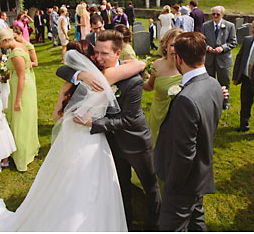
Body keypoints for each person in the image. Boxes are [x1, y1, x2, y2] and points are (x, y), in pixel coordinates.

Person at [0, 41, 144, 231]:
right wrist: (140, 62)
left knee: (64, 178)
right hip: (91, 139)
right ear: (90, 57)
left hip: (72, 137)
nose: (100, 57)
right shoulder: (106, 77)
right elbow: (138, 65)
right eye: (97, 54)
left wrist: (77, 82)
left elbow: (57, 116)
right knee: (92, 182)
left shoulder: (68, 86)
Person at [65, 32, 160, 230]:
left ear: (118, 53)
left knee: (149, 186)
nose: (98, 58)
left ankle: (156, 224)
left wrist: (93, 123)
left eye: (104, 54)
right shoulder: (94, 71)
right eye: (96, 52)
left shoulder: (133, 80)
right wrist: (79, 74)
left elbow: (128, 119)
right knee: (121, 185)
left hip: (136, 142)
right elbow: (62, 69)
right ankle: (124, 222)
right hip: (112, 143)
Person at [154, 32, 224, 231]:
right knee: (196, 220)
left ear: (178, 58)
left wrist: (172, 186)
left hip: (183, 182)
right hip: (200, 173)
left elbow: (185, 153)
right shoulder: (213, 84)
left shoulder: (186, 98)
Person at [0, 27, 39, 172]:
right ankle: (27, 149)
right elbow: (27, 67)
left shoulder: (15, 54)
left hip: (23, 89)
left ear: (6, 40)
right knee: (26, 119)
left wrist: (17, 100)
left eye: (0, 45)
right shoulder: (21, 46)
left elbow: (21, 78)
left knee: (21, 120)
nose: (0, 48)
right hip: (23, 84)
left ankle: (22, 156)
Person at [144, 28, 184, 147]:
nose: (175, 49)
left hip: (179, 117)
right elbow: (150, 86)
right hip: (158, 114)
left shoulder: (188, 65)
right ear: (165, 46)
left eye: (179, 45)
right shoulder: (157, 65)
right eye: (172, 45)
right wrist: (137, 79)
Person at [203, 5, 237, 109]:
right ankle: (210, 102)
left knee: (224, 82)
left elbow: (233, 41)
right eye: (213, 14)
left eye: (218, 14)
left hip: (223, 59)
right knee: (209, 81)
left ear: (222, 14)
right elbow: (202, 40)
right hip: (209, 58)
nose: (215, 16)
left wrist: (222, 48)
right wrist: (207, 47)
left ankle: (224, 102)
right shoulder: (205, 25)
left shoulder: (230, 25)